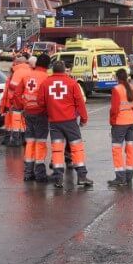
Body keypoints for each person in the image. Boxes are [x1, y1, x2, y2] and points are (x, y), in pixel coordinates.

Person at [45, 59, 92, 188]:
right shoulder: (72, 83)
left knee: (57, 150)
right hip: (70, 122)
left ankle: (58, 178)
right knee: (77, 148)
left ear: (53, 70)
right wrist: (84, 119)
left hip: (54, 123)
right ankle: (82, 177)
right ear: (64, 70)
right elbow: (80, 103)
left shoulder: (46, 83)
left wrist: (48, 114)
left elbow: (40, 102)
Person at [108, 68, 133, 187]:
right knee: (130, 149)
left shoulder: (116, 89)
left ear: (117, 78)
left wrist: (112, 122)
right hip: (131, 122)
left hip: (119, 123)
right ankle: (129, 176)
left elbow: (114, 109)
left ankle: (120, 178)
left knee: (117, 149)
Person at [21, 54, 52, 182]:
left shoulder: (27, 76)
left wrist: (23, 107)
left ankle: (28, 173)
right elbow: (48, 98)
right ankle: (40, 174)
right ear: (48, 65)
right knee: (40, 143)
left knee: (30, 142)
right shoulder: (46, 78)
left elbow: (17, 94)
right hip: (41, 114)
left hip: (28, 112)